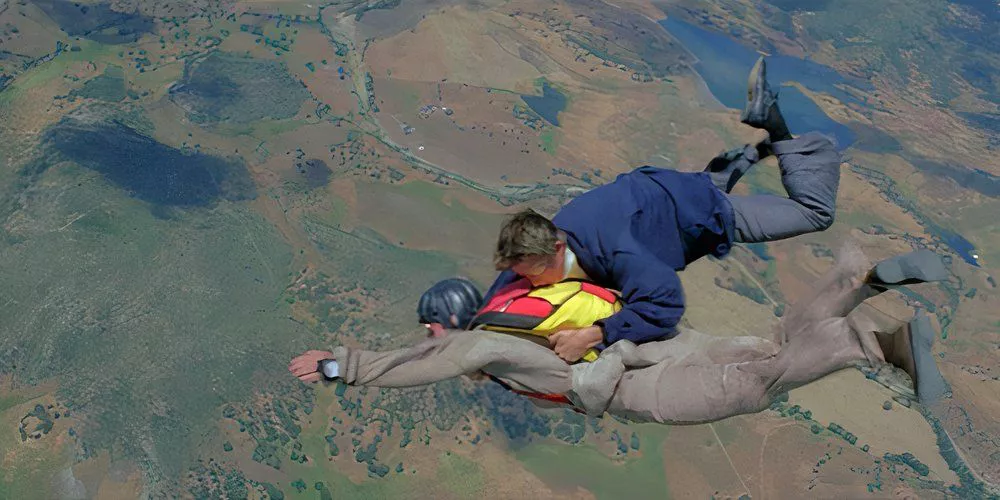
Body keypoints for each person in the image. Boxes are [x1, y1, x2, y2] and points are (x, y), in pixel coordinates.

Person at [288, 245, 952, 424]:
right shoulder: (524, 307)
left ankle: (874, 346)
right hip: (658, 342)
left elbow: (452, 354)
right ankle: (857, 281)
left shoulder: (482, 339)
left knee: (757, 382)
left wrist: (343, 367)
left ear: (453, 321)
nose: (427, 338)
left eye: (432, 327)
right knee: (769, 349)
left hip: (640, 384)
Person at [483, 56, 843, 362]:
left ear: (557, 249)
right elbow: (512, 275)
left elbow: (666, 304)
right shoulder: (552, 231)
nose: (528, 283)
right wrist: (467, 325)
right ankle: (757, 150)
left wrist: (592, 335)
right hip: (669, 191)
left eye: (533, 274)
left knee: (815, 213)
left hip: (703, 211)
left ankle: (775, 127)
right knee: (705, 187)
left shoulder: (621, 254)